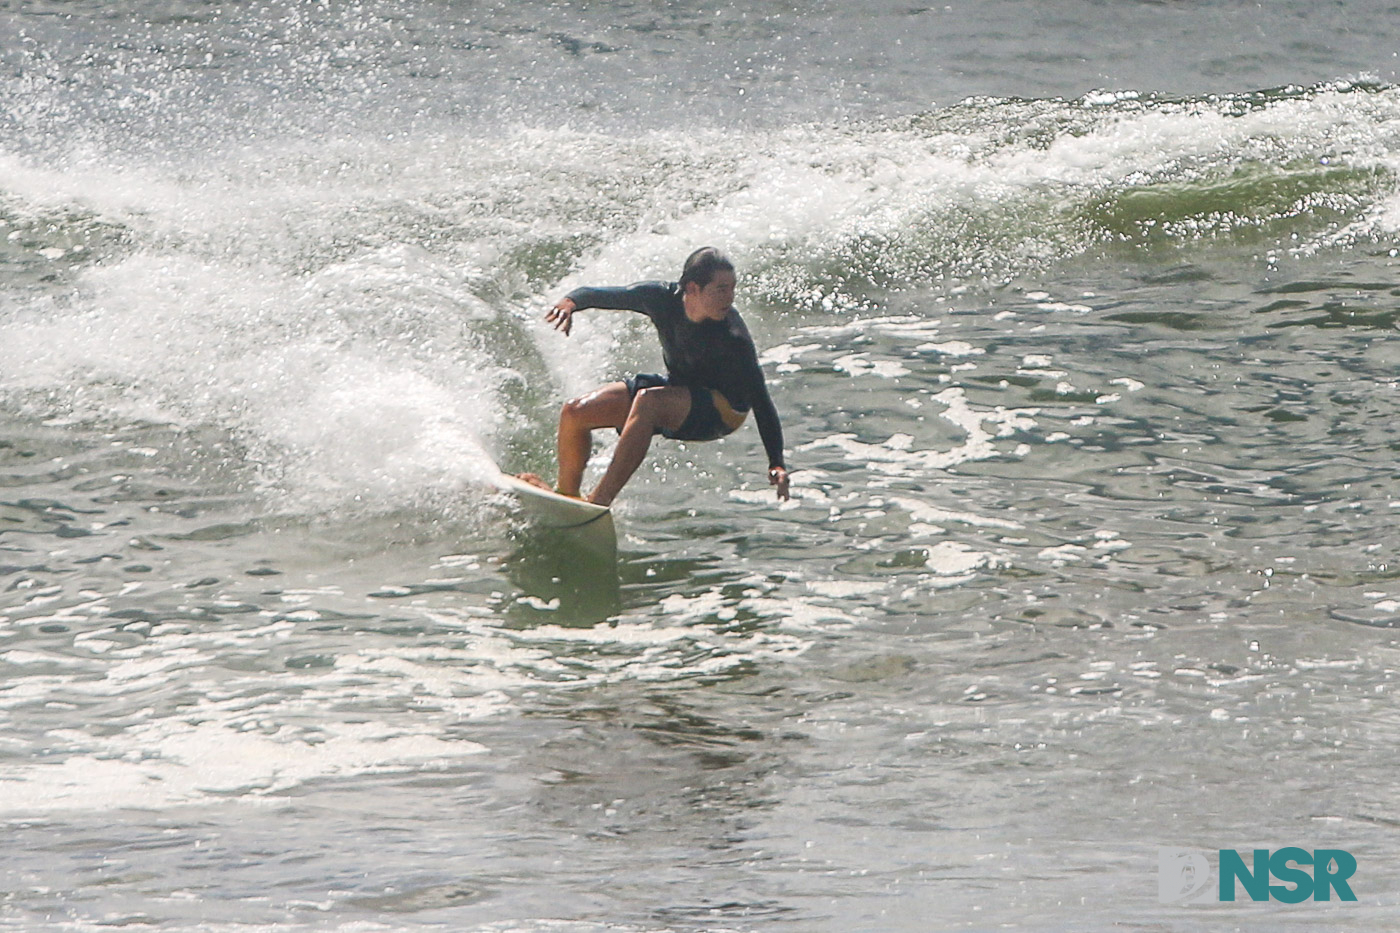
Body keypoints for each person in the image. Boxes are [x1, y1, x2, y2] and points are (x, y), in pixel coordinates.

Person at [519, 247, 790, 507]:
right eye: (721, 289)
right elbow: (609, 295)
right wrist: (571, 302)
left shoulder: (733, 338)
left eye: (733, 288)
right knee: (576, 411)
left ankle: (598, 502)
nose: (730, 298)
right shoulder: (660, 298)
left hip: (723, 410)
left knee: (648, 402)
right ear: (693, 288)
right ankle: (567, 496)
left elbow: (762, 401)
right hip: (679, 388)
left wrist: (775, 461)